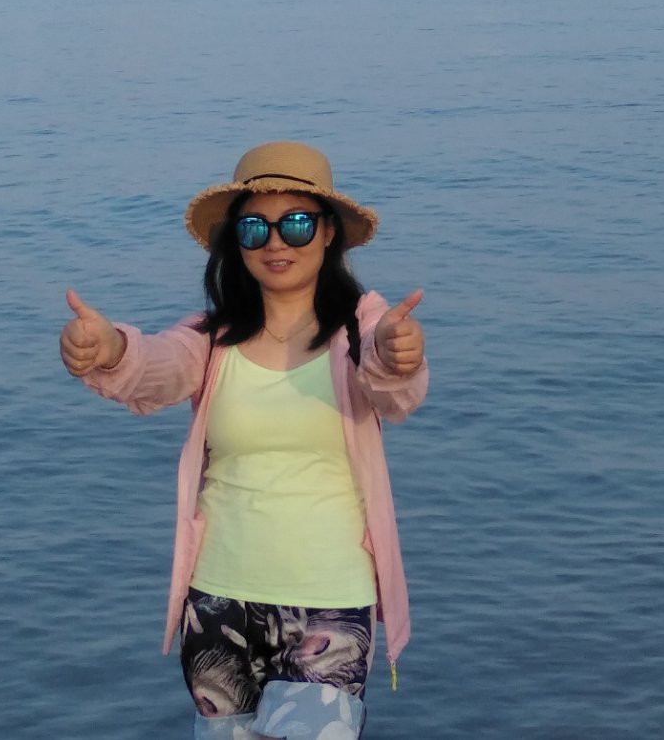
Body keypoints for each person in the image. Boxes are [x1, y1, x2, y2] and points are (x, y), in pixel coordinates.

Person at [59, 141, 428, 739]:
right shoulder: (210, 341)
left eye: (296, 224)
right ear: (236, 241)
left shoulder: (361, 331)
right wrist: (111, 349)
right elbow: (154, 367)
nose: (276, 243)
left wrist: (396, 356)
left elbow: (396, 391)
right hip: (217, 603)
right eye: (255, 228)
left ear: (328, 232)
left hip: (330, 602)